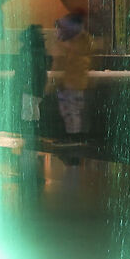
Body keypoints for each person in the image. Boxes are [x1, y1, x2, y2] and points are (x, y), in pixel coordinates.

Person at [50, 10, 94, 138]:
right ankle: (74, 136)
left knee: (72, 111)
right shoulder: (80, 42)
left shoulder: (76, 44)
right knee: (70, 111)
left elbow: (67, 64)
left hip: (73, 84)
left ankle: (74, 137)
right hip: (73, 84)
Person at [18, 23, 51, 154]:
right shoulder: (40, 51)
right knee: (34, 109)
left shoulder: (27, 51)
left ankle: (29, 135)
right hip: (37, 86)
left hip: (29, 86)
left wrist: (24, 82)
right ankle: (34, 134)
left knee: (28, 110)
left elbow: (25, 69)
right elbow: (41, 69)